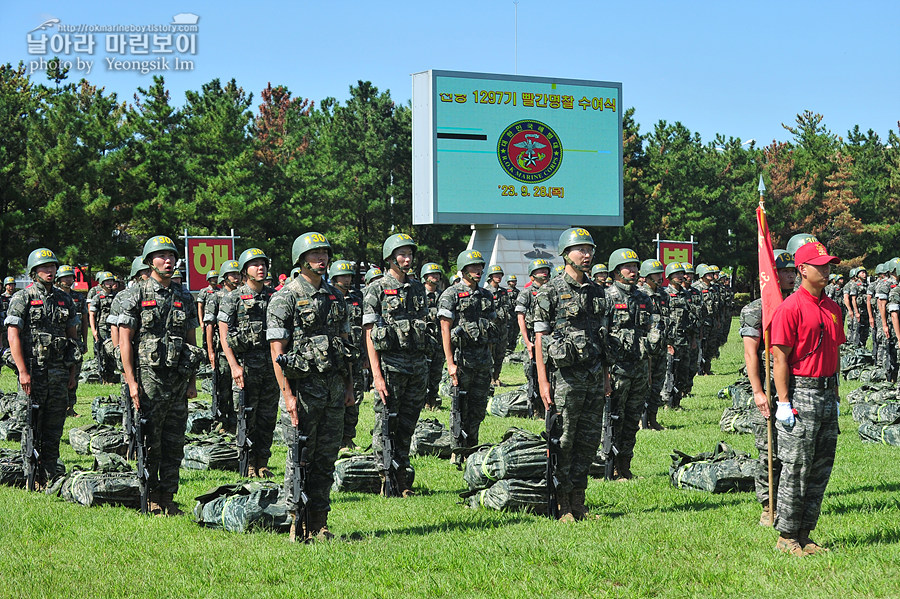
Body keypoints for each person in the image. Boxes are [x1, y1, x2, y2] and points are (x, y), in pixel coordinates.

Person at [268, 232, 354, 541]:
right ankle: (296, 523)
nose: (322, 259)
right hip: (302, 393)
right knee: (299, 458)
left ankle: (320, 521)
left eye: (325, 253)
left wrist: (348, 387)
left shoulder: (335, 296)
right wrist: (287, 396)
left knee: (326, 458)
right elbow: (277, 351)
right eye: (315, 254)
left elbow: (345, 345)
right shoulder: (285, 296)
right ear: (301, 259)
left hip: (332, 391)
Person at [770, 241, 843, 556]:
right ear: (802, 270)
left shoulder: (833, 308)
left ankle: (805, 531)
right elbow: (780, 359)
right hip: (803, 391)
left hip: (827, 392)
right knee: (797, 466)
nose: (826, 270)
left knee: (821, 466)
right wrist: (783, 402)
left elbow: (835, 352)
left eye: (828, 265)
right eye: (820, 265)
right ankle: (786, 535)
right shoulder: (791, 308)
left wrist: (837, 396)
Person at [119, 235, 202, 515]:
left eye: (171, 257)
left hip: (177, 381)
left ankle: (167, 495)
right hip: (148, 381)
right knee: (150, 440)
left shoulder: (184, 296)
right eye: (161, 257)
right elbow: (125, 343)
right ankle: (151, 496)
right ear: (149, 262)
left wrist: (191, 382)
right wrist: (131, 383)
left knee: (174, 441)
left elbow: (192, 342)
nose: (168, 261)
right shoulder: (136, 295)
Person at [533, 228, 608, 521]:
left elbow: (602, 337)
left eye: (589, 249)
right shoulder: (549, 291)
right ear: (566, 254)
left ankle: (579, 501)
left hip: (593, 376)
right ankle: (563, 504)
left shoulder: (597, 290)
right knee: (564, 440)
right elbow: (540, 339)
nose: (586, 255)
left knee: (588, 441)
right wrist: (542, 382)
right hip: (564, 379)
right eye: (580, 250)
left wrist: (606, 377)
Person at [5, 248, 80, 490]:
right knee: (31, 425)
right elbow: (13, 335)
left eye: (52, 267)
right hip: (33, 374)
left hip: (58, 374)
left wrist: (72, 373)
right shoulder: (22, 298)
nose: (50, 271)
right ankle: (31, 475)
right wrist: (23, 371)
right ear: (34, 271)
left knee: (54, 425)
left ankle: (49, 473)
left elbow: (73, 339)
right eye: (44, 267)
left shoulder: (64, 299)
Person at [363, 233, 429, 496]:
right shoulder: (377, 288)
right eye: (401, 254)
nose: (406, 258)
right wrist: (376, 375)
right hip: (390, 367)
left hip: (416, 367)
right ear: (390, 258)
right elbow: (369, 334)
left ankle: (402, 476)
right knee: (385, 423)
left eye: (409, 254)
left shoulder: (417, 288)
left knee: (407, 423)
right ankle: (384, 477)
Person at [740, 249, 795, 527]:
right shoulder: (755, 309)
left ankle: (789, 501)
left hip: (796, 386)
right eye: (784, 271)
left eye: (792, 271)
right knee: (767, 449)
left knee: (794, 449)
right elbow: (751, 354)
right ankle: (767, 503)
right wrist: (758, 391)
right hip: (769, 387)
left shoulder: (798, 304)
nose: (789, 276)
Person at [600, 248, 661, 480]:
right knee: (613, 416)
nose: (634, 271)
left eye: (636, 267)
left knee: (631, 418)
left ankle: (625, 465)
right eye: (628, 267)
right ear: (616, 271)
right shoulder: (607, 297)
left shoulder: (643, 297)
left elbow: (648, 332)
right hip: (616, 369)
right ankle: (609, 464)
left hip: (638, 367)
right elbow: (602, 335)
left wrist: (648, 369)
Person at [219, 248, 279, 478]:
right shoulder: (233, 298)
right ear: (245, 271)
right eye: (255, 264)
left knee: (267, 417)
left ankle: (263, 462)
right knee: (246, 416)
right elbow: (224, 335)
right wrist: (234, 366)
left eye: (263, 264)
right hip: (245, 368)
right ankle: (248, 462)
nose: (260, 268)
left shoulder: (274, 297)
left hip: (270, 369)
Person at [438, 249, 496, 465]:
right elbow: (445, 330)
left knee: (478, 406)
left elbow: (491, 329)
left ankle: (472, 446)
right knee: (459, 406)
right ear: (463, 269)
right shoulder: (451, 294)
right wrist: (450, 362)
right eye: (473, 267)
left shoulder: (486, 295)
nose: (478, 270)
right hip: (461, 361)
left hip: (482, 360)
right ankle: (456, 449)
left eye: (480, 266)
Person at [328, 259, 365, 451]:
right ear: (334, 277)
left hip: (356, 356)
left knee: (356, 396)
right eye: (343, 276)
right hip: (336, 357)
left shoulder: (357, 298)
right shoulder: (328, 298)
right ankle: (336, 438)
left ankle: (348, 437)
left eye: (349, 276)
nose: (347, 279)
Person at [204, 260, 240, 432]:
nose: (236, 277)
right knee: (223, 388)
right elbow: (209, 325)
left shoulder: (242, 295)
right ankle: (222, 421)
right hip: (222, 351)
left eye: (238, 274)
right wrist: (210, 351)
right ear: (224, 278)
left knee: (237, 389)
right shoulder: (216, 297)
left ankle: (235, 420)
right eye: (232, 274)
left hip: (239, 349)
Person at [516, 258, 552, 418]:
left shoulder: (551, 290)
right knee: (533, 374)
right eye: (540, 270)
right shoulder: (527, 293)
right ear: (532, 275)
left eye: (546, 270)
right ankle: (535, 409)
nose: (544, 272)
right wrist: (527, 341)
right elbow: (521, 317)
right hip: (532, 336)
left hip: (549, 337)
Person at [637, 259, 668, 430]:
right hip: (645, 348)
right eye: (656, 274)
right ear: (647, 276)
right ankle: (642, 420)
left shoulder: (664, 295)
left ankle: (653, 418)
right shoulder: (641, 295)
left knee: (657, 384)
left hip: (661, 347)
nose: (660, 277)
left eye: (660, 273)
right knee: (644, 384)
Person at [661, 262, 697, 410]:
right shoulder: (665, 294)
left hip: (685, 340)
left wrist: (694, 338)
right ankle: (666, 403)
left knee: (683, 372)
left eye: (681, 274)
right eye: (676, 274)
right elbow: (663, 319)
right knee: (669, 372)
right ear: (669, 276)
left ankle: (677, 402)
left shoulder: (687, 294)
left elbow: (692, 317)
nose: (680, 276)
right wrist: (667, 342)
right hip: (671, 340)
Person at [55, 265, 88, 417]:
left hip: (74, 341)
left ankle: (70, 407)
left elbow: (84, 319)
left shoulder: (78, 297)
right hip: (57, 343)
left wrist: (85, 343)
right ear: (58, 279)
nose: (68, 280)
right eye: (65, 277)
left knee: (74, 375)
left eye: (70, 277)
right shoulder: (55, 296)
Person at [420, 262, 445, 411]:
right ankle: (421, 399)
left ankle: (432, 398)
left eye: (437, 274)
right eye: (432, 274)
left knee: (436, 371)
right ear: (425, 277)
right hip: (423, 341)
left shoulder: (443, 296)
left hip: (439, 341)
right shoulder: (419, 295)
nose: (435, 277)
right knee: (423, 371)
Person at [484, 264, 511, 387]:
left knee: (500, 354)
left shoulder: (504, 291)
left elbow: (508, 306)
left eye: (500, 275)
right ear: (490, 276)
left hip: (503, 328)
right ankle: (489, 378)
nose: (499, 277)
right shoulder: (486, 292)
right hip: (491, 328)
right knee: (490, 354)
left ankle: (496, 377)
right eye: (496, 275)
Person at [89, 271, 118, 383]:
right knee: (102, 352)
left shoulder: (117, 296)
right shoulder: (97, 297)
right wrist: (94, 330)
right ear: (101, 283)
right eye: (107, 281)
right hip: (102, 328)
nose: (110, 283)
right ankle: (103, 377)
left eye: (111, 281)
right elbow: (92, 314)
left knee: (113, 351)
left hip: (114, 328)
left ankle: (111, 376)